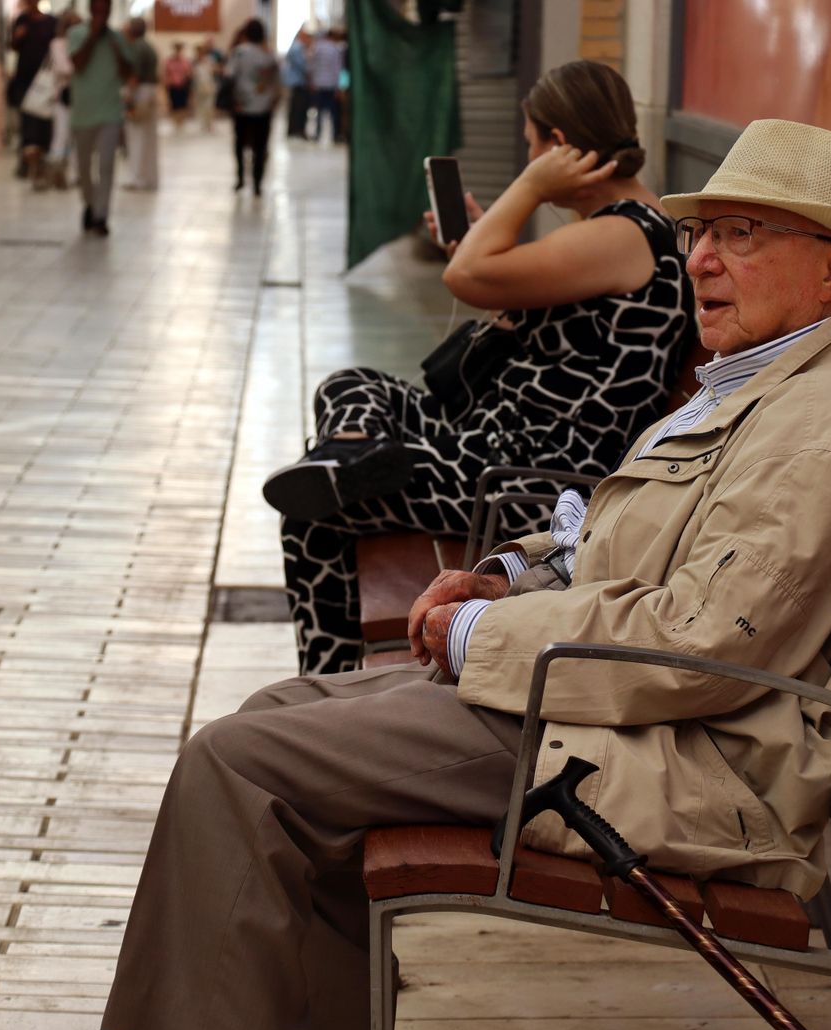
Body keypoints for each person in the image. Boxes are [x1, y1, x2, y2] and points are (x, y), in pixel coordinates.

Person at [102, 117, 831, 1030]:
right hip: (613, 708)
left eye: (742, 235)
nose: (702, 260)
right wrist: (510, 571)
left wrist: (479, 636)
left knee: (241, 761)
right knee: (276, 719)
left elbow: (698, 646)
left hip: (668, 757)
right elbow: (646, 548)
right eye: (703, 233)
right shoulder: (779, 378)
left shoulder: (824, 420)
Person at [263, 61, 692, 675]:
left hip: (529, 470)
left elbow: (467, 279)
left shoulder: (625, 234)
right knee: (350, 384)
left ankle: (323, 682)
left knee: (311, 520)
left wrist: (528, 191)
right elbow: (500, 286)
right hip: (490, 437)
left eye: (531, 146)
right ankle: (353, 454)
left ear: (558, 146)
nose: (527, 158)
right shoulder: (618, 230)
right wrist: (481, 232)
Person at [67, 0, 136, 236]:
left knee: (106, 165)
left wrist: (118, 53)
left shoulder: (117, 38)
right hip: (83, 113)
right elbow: (78, 65)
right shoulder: (76, 34)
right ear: (90, 11)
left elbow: (128, 74)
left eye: (105, 11)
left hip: (110, 112)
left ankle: (101, 215)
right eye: (97, 10)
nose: (101, 15)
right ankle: (89, 202)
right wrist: (93, 37)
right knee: (84, 168)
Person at [223, 18, 279, 196]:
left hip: (242, 105)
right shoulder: (269, 55)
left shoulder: (239, 53)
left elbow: (229, 75)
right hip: (263, 107)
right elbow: (276, 82)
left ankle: (240, 178)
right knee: (260, 146)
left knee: (240, 143)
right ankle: (257, 182)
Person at [7, 0, 56, 178]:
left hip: (44, 81)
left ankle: (42, 161)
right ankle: (26, 162)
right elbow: (12, 45)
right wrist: (18, 36)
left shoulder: (51, 22)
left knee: (44, 121)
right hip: (24, 80)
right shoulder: (21, 21)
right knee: (26, 122)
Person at [41, 9, 82, 192]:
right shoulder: (58, 43)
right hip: (63, 94)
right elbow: (63, 68)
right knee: (61, 134)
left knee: (78, 136)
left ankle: (77, 174)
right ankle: (54, 173)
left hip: (81, 95)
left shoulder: (83, 43)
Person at [120, 17, 159, 191]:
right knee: (147, 137)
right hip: (149, 92)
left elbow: (134, 76)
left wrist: (127, 97)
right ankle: (148, 176)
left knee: (136, 137)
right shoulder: (148, 46)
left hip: (140, 93)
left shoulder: (136, 47)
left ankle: (137, 177)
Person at [308, 25, 342, 144]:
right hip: (331, 84)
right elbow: (338, 69)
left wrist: (312, 81)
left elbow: (312, 66)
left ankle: (318, 134)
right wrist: (340, 86)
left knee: (319, 111)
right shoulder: (335, 49)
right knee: (333, 112)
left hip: (319, 83)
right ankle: (335, 135)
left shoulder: (318, 48)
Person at [282, 27, 311, 140]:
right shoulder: (297, 48)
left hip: (296, 81)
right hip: (298, 82)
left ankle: (294, 129)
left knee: (295, 108)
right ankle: (297, 130)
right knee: (298, 108)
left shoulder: (296, 47)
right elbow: (303, 66)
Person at [163, 40, 192, 133]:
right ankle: (175, 122)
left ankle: (181, 122)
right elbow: (166, 72)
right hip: (173, 85)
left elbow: (188, 73)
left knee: (182, 104)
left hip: (183, 85)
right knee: (174, 104)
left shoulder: (185, 61)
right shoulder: (169, 60)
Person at [191, 40, 219, 133]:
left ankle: (210, 124)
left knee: (209, 106)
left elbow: (214, 71)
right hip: (199, 87)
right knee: (200, 106)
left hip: (209, 86)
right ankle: (203, 124)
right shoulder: (194, 62)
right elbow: (193, 76)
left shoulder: (209, 60)